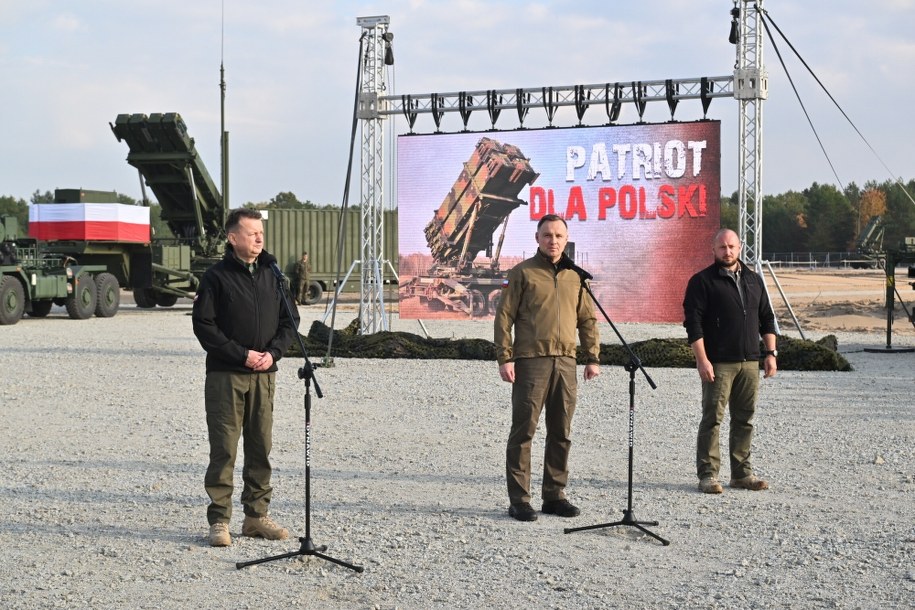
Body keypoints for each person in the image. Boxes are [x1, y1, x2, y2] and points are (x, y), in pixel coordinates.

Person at [192, 208, 300, 547]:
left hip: (265, 374)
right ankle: (219, 521)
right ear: (232, 237)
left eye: (260, 232)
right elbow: (204, 326)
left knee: (260, 447)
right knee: (224, 448)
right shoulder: (216, 277)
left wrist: (273, 353)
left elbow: (290, 320)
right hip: (227, 375)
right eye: (251, 232)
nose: (259, 237)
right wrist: (241, 354)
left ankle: (255, 516)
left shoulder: (273, 273)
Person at [494, 214, 601, 522]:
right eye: (547, 235)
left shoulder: (574, 276)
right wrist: (505, 357)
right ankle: (520, 500)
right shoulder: (522, 273)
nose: (553, 240)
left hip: (566, 362)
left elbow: (587, 320)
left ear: (565, 239)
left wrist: (592, 357)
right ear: (537, 238)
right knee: (524, 431)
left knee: (561, 432)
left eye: (558, 235)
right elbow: (504, 318)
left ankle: (554, 496)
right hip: (531, 362)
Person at [683, 228, 778, 495]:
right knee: (713, 418)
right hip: (719, 362)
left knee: (744, 419)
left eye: (732, 246)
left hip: (750, 361)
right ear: (713, 250)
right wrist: (702, 360)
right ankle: (708, 475)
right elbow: (694, 325)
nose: (728, 251)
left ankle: (741, 473)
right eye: (722, 247)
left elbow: (767, 319)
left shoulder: (754, 280)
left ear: (739, 248)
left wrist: (770, 354)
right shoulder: (701, 282)